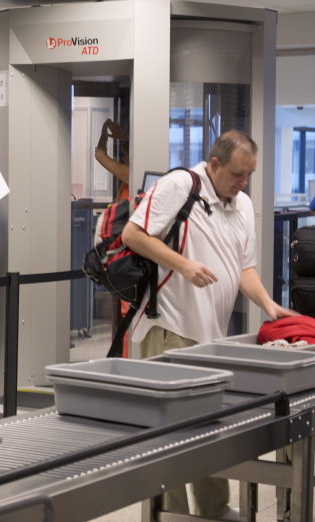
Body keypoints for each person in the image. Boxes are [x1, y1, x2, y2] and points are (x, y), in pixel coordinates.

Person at [121, 129, 297, 519]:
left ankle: (214, 510)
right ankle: (172, 514)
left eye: (249, 174)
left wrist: (268, 303)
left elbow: (243, 268)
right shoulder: (181, 184)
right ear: (214, 164)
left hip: (210, 339)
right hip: (169, 329)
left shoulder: (243, 204)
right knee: (170, 437)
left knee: (209, 430)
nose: (243, 181)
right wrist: (183, 265)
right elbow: (132, 234)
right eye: (237, 173)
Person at [95, 119, 132, 356]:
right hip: (122, 250)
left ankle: (128, 359)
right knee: (124, 311)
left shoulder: (132, 173)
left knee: (128, 312)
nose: (123, 158)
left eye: (126, 152)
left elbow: (99, 154)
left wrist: (105, 131)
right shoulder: (131, 176)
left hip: (127, 252)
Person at [94, 118, 130, 202]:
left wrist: (104, 133)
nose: (123, 158)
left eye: (126, 154)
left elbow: (99, 155)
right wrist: (125, 136)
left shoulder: (129, 174)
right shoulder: (129, 177)